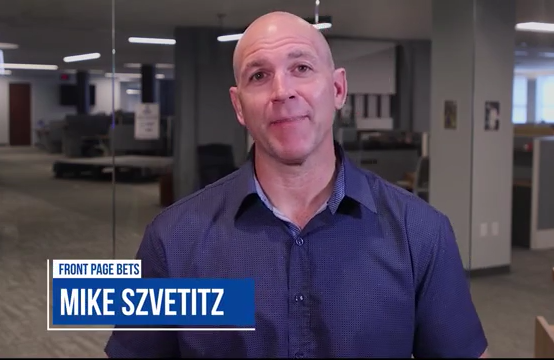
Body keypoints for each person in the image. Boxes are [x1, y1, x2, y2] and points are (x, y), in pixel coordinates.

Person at [105, 11, 488, 358]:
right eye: (259, 75)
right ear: (239, 106)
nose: (281, 91)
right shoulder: (173, 240)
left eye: (301, 68)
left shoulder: (420, 233)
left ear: (338, 90)